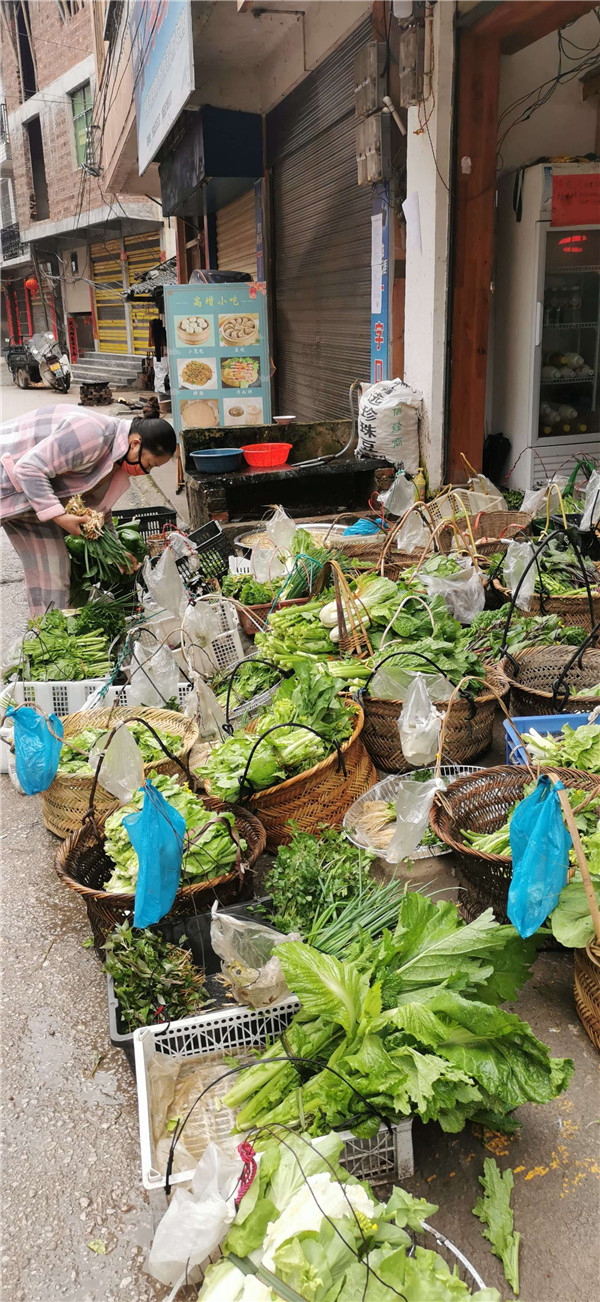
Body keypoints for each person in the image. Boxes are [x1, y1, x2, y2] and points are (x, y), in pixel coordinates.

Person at [0, 396, 176, 616]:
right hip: (8, 477)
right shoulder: (91, 433)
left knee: (54, 572)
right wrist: (62, 518)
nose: (146, 471)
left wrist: (117, 551)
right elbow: (27, 469)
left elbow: (99, 510)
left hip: (33, 502)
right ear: (135, 443)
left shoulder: (117, 462)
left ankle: (46, 636)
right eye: (148, 464)